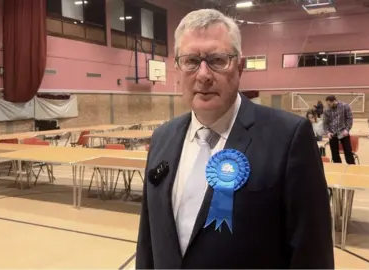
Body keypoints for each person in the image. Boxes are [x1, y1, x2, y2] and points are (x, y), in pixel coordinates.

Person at [136, 9, 333, 269]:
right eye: (191, 61)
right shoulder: (162, 137)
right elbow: (149, 242)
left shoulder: (289, 138)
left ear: (240, 66)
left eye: (218, 60)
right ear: (177, 69)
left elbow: (312, 254)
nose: (203, 74)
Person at [322, 95, 355, 164]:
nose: (328, 105)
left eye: (329, 104)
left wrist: (347, 129)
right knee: (334, 154)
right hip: (332, 134)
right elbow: (325, 123)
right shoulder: (326, 110)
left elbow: (350, 118)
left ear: (334, 101)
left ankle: (352, 168)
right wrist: (327, 132)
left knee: (348, 152)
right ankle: (338, 168)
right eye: (327, 104)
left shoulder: (345, 106)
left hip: (343, 132)